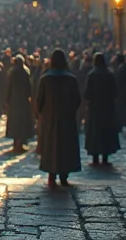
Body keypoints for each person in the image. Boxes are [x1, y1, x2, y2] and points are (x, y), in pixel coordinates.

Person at [36, 49, 82, 188]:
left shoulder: (45, 78)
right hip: (66, 119)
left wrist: (42, 114)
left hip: (50, 119)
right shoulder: (71, 78)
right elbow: (77, 100)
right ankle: (64, 176)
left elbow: (39, 101)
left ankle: (51, 175)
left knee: (51, 146)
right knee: (65, 146)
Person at [84, 52, 120, 166]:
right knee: (106, 132)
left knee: (95, 132)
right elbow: (115, 91)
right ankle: (105, 157)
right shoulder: (109, 74)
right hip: (107, 109)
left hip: (95, 109)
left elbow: (87, 93)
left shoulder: (91, 75)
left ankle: (95, 158)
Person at [5, 55, 36, 153]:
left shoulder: (12, 73)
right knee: (22, 123)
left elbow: (9, 88)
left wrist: (7, 100)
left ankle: (16, 144)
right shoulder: (25, 73)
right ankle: (20, 144)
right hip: (23, 102)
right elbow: (29, 88)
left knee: (15, 124)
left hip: (14, 101)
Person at [114, 53, 126, 134]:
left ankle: (120, 124)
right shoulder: (123, 67)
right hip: (121, 92)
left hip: (122, 92)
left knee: (120, 108)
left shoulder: (123, 68)